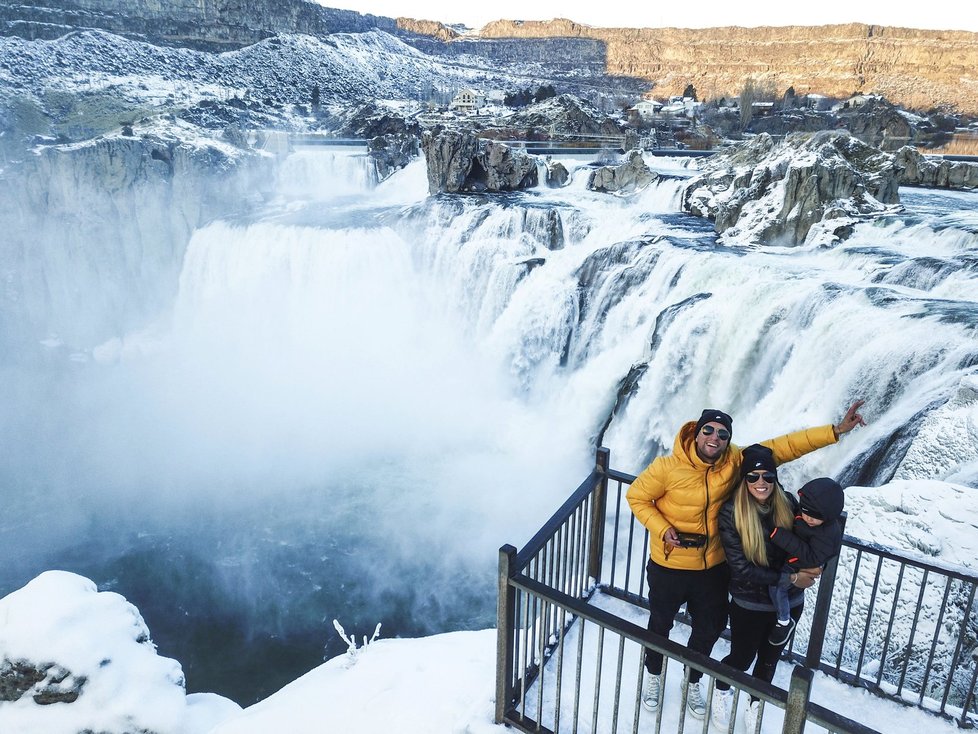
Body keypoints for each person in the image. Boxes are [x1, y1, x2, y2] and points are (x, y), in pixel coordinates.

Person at [626, 401, 865, 720]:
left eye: (722, 434)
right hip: (669, 565)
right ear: (696, 433)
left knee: (708, 629)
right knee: (660, 626)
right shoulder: (666, 468)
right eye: (708, 430)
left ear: (728, 440)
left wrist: (835, 431)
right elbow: (636, 497)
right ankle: (653, 675)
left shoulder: (737, 461)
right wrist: (662, 527)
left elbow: (785, 446)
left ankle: (692, 679)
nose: (714, 438)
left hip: (713, 567)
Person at [711, 445, 829, 731]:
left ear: (775, 478)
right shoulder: (731, 513)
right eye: (752, 476)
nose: (760, 482)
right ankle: (722, 691)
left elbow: (816, 538)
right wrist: (790, 579)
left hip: (789, 603)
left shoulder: (788, 504)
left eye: (767, 476)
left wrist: (818, 564)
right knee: (741, 657)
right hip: (749, 603)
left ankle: (755, 703)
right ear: (744, 479)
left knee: (768, 661)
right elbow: (741, 568)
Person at [766, 476, 845, 646]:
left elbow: (812, 557)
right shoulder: (809, 520)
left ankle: (784, 621)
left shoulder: (826, 534)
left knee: (777, 587)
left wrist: (781, 536)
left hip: (802, 563)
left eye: (815, 516)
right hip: (796, 560)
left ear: (829, 515)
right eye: (805, 511)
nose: (808, 518)